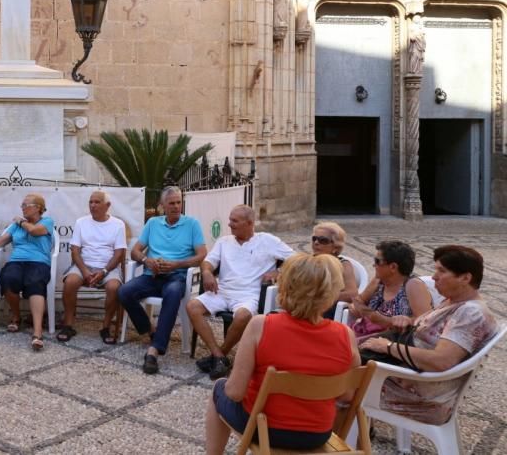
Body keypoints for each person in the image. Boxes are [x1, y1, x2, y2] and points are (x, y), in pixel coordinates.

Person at [205, 253, 360, 454]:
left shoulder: (261, 325)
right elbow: (347, 395)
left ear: (286, 286)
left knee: (220, 387)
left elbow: (235, 392)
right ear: (330, 294)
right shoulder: (346, 336)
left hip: (265, 429)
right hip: (316, 434)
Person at [360, 245, 498, 425]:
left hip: (419, 395)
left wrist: (387, 347)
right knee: (339, 356)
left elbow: (441, 361)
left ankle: (341, 439)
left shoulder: (471, 313)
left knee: (338, 378)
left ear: (465, 278)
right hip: (405, 372)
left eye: (442, 271)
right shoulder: (453, 301)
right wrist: (409, 321)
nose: (434, 277)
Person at [187, 204, 294, 380]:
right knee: (192, 306)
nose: (229, 224)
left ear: (249, 223)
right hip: (222, 291)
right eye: (230, 220)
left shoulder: (267, 240)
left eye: (234, 221)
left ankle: (220, 355)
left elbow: (297, 259)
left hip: (249, 295)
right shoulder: (224, 242)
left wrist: (279, 272)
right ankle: (219, 356)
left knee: (243, 316)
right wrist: (206, 272)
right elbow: (208, 262)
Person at [118, 186, 205, 373]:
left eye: (178, 202)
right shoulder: (153, 223)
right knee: (124, 291)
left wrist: (176, 265)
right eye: (171, 203)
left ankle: (154, 350)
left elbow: (201, 255)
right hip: (152, 276)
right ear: (162, 205)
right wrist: (146, 260)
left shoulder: (192, 224)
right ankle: (150, 330)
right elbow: (134, 251)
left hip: (177, 277)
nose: (176, 206)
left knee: (173, 293)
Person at [0, 193, 54, 351]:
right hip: (17, 261)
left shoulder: (47, 222)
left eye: (25, 205)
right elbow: (2, 240)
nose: (22, 208)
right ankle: (16, 316)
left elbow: (34, 231)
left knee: (35, 283)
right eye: (22, 206)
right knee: (8, 279)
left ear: (38, 208)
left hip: (39, 262)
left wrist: (20, 221)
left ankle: (37, 332)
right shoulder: (15, 226)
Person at [58, 190, 128, 344]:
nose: (93, 205)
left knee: (113, 288)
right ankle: (68, 324)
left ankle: (106, 327)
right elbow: (75, 251)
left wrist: (103, 272)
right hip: (84, 265)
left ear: (107, 205)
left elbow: (119, 254)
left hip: (108, 267)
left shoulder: (118, 224)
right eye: (91, 202)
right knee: (70, 282)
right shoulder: (81, 222)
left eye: (97, 202)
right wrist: (85, 271)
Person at [349, 240, 431, 339]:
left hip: (391, 342)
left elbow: (425, 323)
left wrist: (385, 321)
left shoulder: (413, 285)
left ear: (393, 267)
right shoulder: (378, 281)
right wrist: (359, 309)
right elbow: (358, 301)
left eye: (377, 261)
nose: (374, 265)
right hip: (364, 334)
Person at [309, 221, 359, 307]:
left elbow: (352, 294)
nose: (316, 242)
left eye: (323, 240)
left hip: (326, 309)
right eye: (314, 239)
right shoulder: (308, 261)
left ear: (336, 247)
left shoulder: (343, 265)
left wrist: (320, 298)